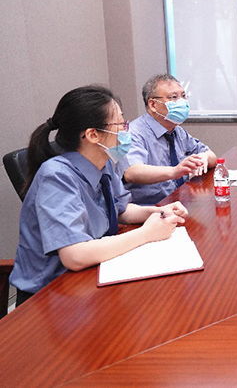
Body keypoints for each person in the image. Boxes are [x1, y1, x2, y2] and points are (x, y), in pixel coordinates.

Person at [9, 86, 188, 306]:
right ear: (92, 135)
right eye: (120, 124)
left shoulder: (103, 162)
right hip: (50, 295)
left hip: (92, 274)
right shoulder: (56, 176)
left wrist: (159, 212)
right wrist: (146, 233)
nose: (126, 131)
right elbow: (74, 256)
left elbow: (121, 209)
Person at [122, 74, 217, 205]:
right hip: (150, 209)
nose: (181, 102)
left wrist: (203, 158)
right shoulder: (133, 133)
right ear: (153, 104)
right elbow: (131, 172)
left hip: (180, 202)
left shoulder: (177, 130)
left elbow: (212, 157)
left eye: (183, 96)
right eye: (173, 97)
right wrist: (174, 172)